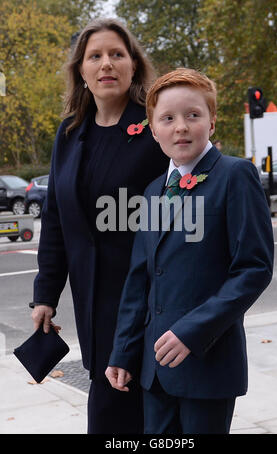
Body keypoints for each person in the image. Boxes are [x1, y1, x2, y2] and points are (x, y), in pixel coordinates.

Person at [106, 68, 274, 434]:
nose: (180, 126)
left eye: (193, 115)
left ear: (212, 122)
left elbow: (254, 268)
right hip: (155, 371)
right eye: (168, 118)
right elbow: (140, 280)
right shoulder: (153, 191)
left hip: (207, 364)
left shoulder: (235, 175)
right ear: (154, 130)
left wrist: (193, 332)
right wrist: (123, 351)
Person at [30, 18, 169, 434]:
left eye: (116, 54)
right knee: (109, 413)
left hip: (148, 305)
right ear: (82, 71)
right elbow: (56, 219)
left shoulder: (155, 129)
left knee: (146, 419)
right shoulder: (70, 134)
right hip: (92, 305)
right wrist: (45, 295)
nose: (106, 63)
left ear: (133, 66)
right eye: (95, 56)